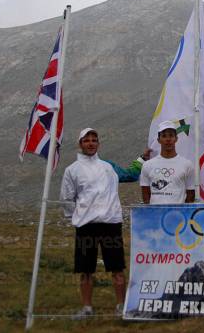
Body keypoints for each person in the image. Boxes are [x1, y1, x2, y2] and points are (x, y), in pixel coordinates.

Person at [60, 128, 149, 319]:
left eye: (94, 140)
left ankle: (121, 306)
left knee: (117, 268)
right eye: (86, 140)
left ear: (98, 144)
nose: (91, 143)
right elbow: (67, 199)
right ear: (80, 144)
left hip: (111, 224)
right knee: (85, 269)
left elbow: (129, 175)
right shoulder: (72, 170)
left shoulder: (108, 167)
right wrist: (77, 218)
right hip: (86, 226)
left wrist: (142, 159)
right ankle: (87, 308)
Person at [140, 120, 195, 204]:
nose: (168, 139)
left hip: (178, 215)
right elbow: (145, 196)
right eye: (164, 136)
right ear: (159, 140)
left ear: (176, 139)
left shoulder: (187, 165)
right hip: (156, 215)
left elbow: (190, 196)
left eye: (171, 135)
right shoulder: (147, 165)